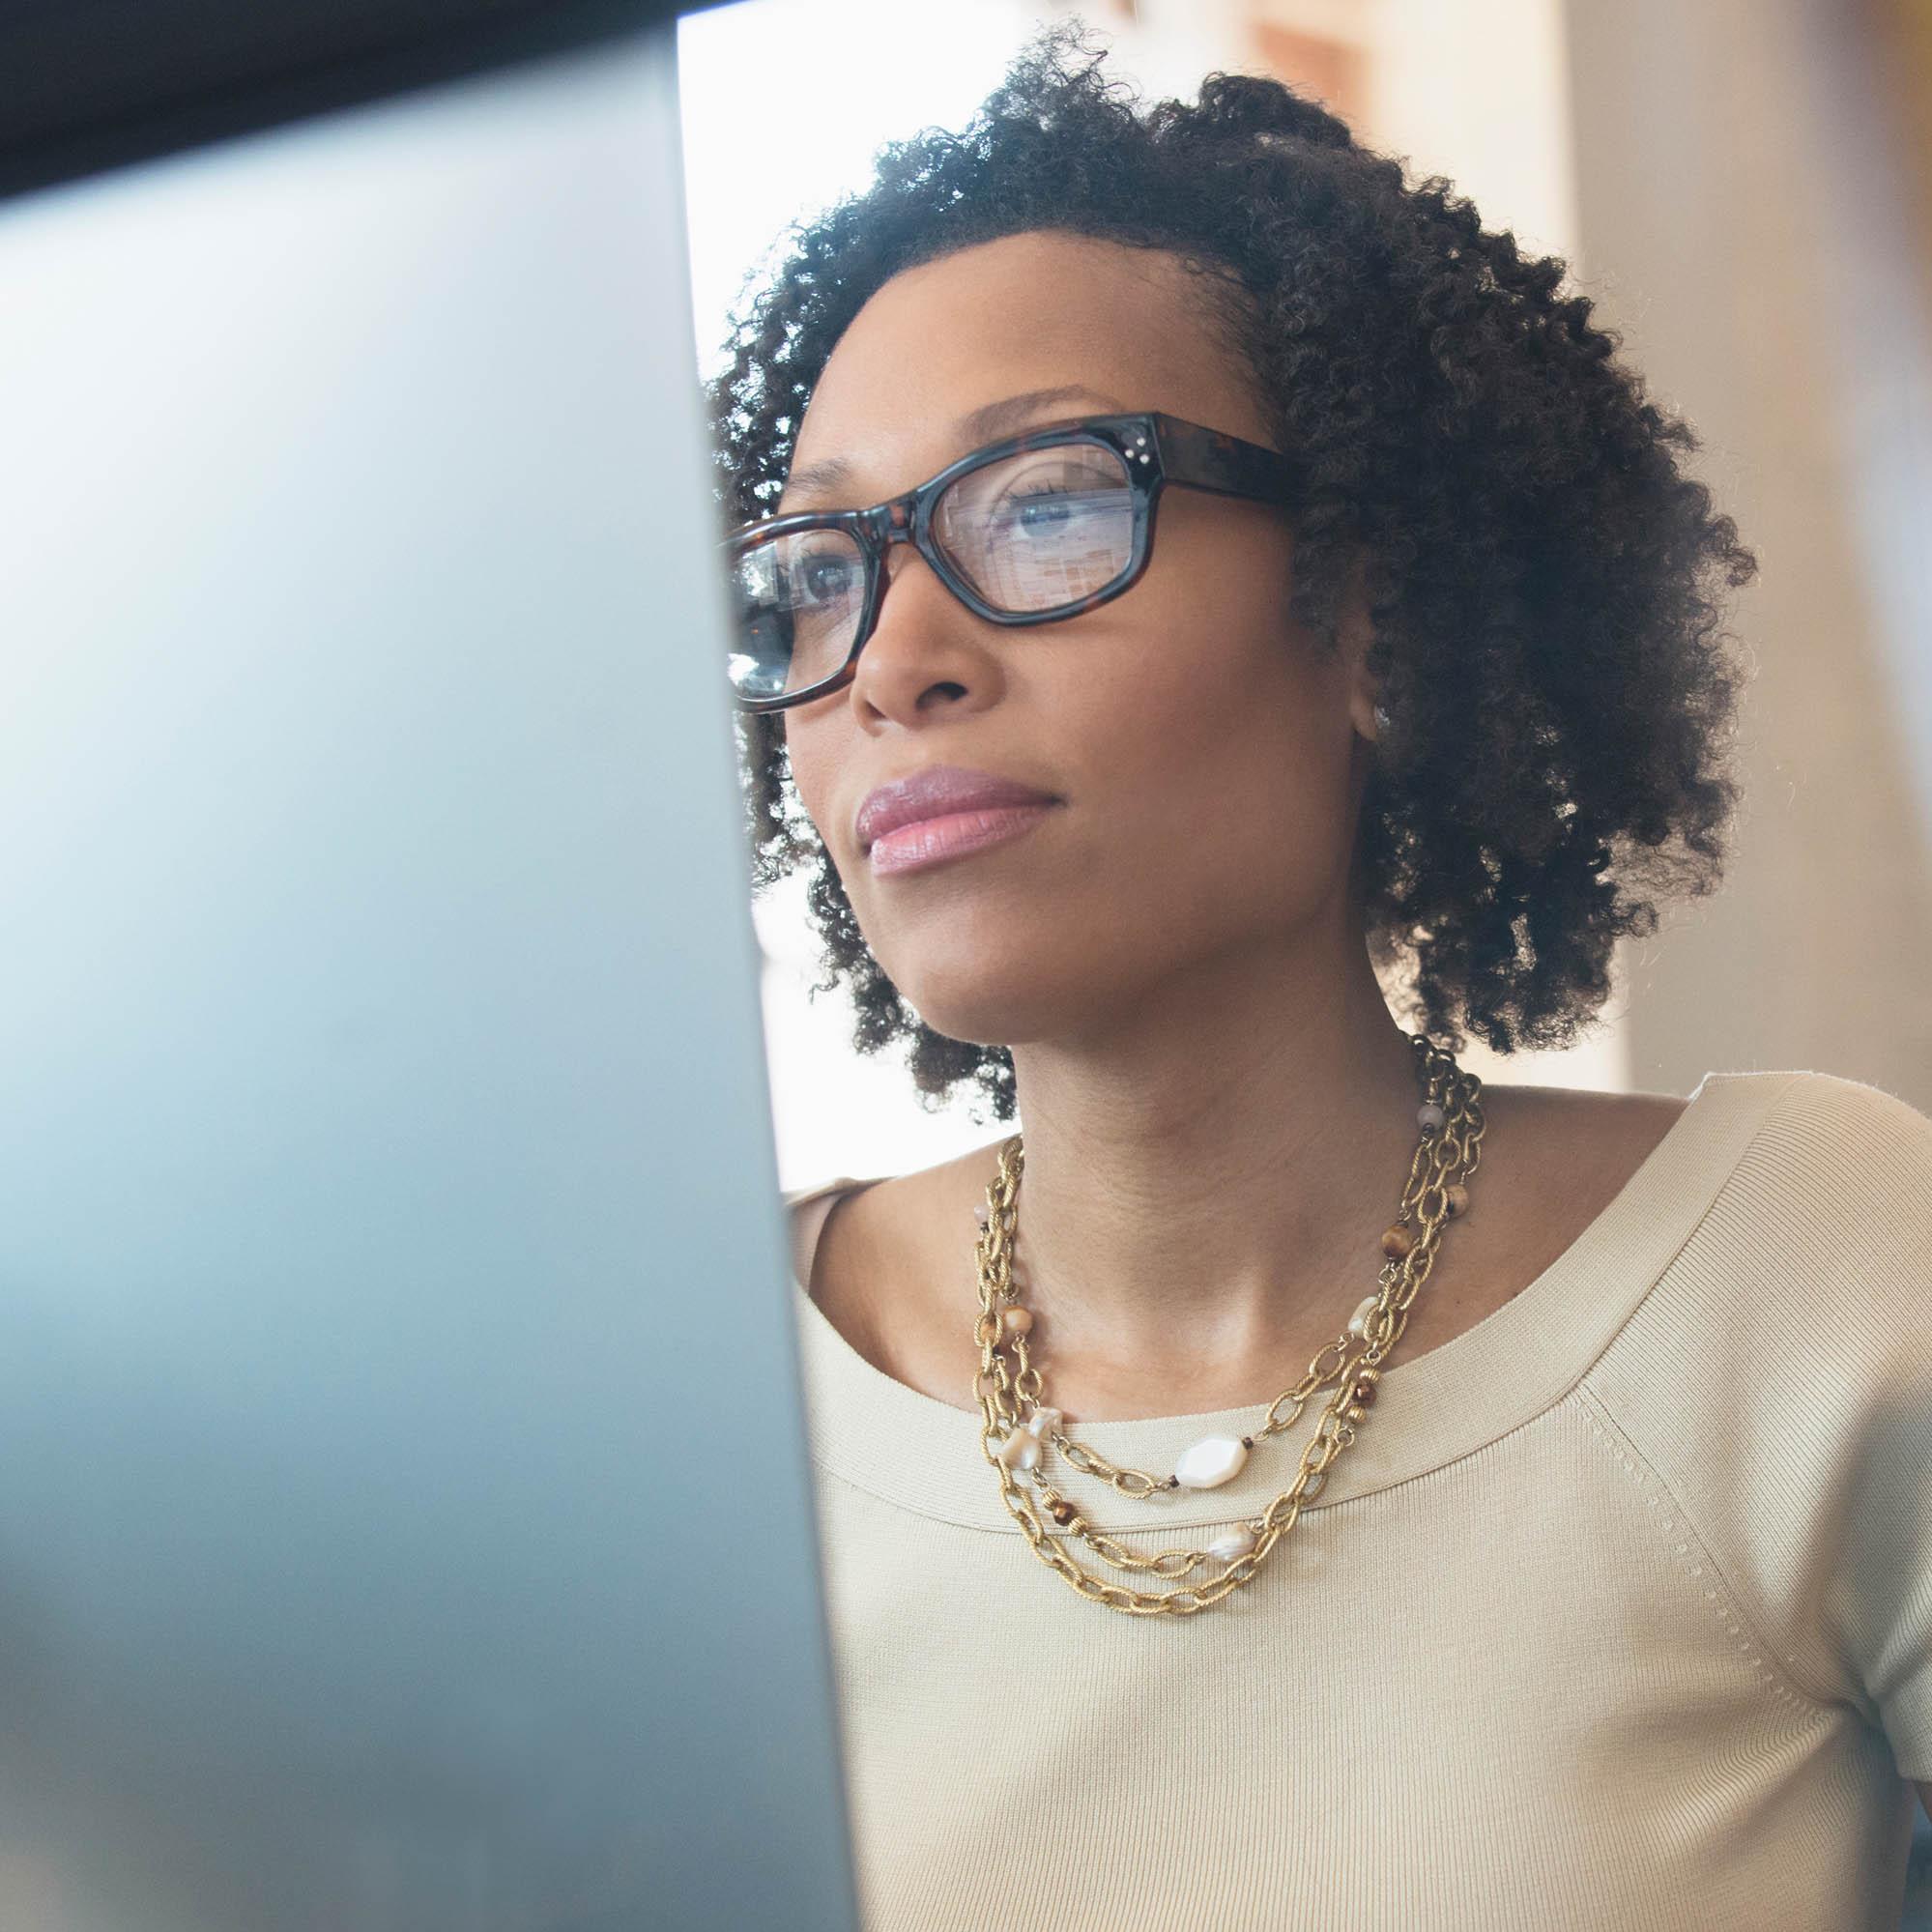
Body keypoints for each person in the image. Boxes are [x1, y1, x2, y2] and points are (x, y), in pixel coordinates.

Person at [706, 21, 1932, 1930]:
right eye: (810, 573)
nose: (890, 659)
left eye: (1041, 503)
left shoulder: (1809, 1279)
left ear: (1369, 615)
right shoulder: (699, 1401)